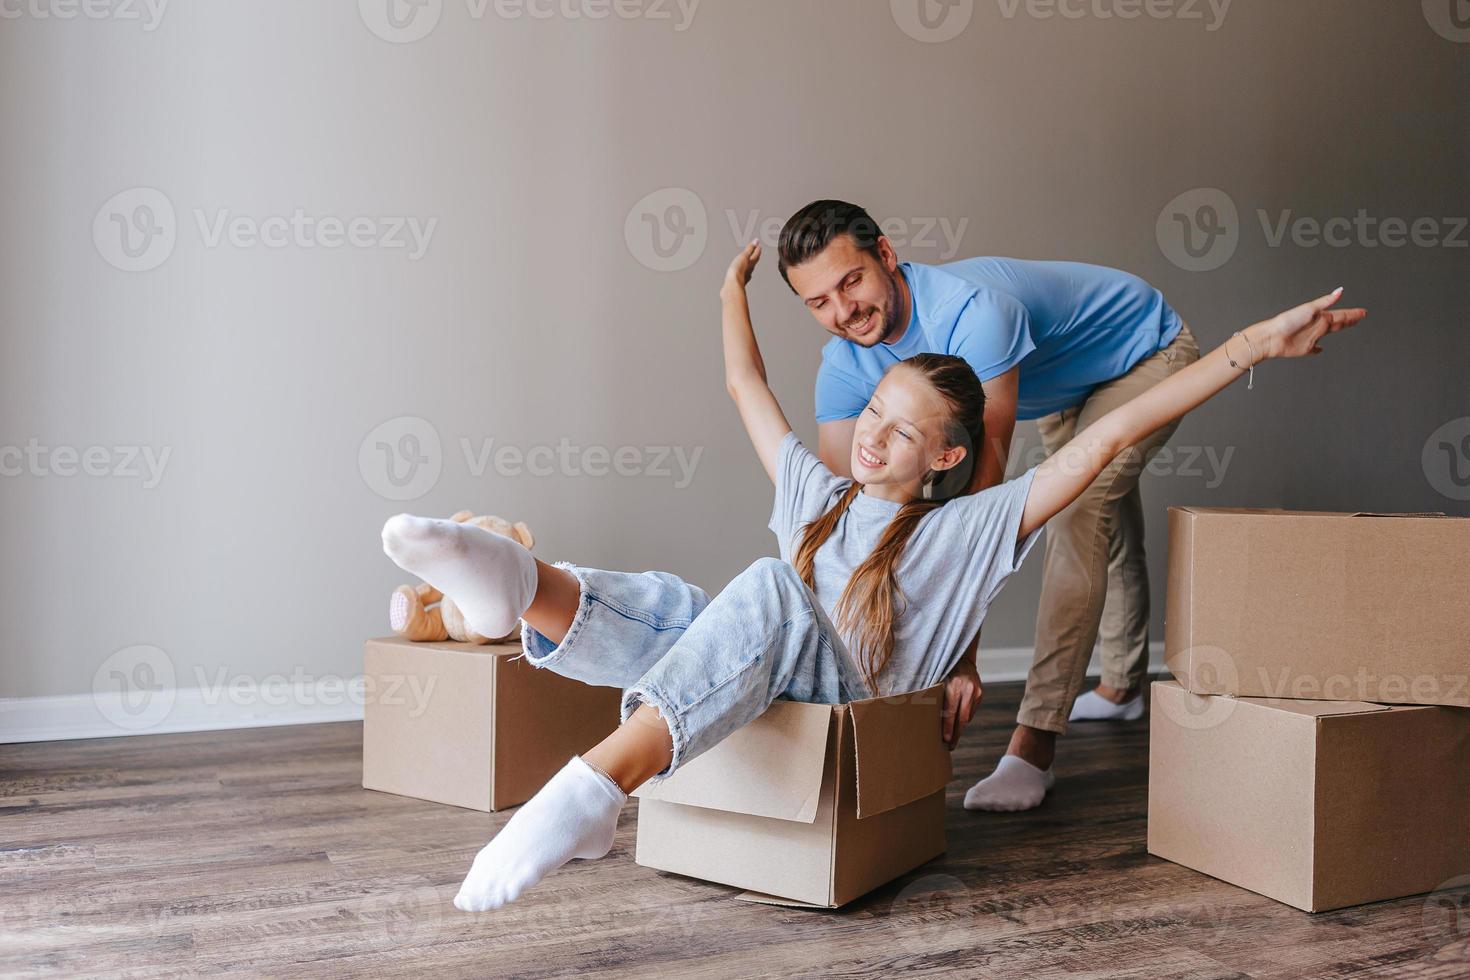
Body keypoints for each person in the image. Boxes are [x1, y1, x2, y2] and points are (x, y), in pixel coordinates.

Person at [380, 240, 1364, 911]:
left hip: (850, 706)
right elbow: (745, 388)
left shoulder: (976, 525)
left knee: (764, 592)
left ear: (944, 456)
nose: (873, 440)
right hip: (760, 678)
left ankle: (594, 787)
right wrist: (731, 293)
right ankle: (514, 583)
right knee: (691, 608)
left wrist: (1247, 347)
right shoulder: (818, 492)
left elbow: (1108, 434)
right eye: (874, 414)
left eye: (903, 431)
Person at [777, 199, 1202, 811]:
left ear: (887, 256)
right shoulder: (845, 362)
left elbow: (982, 500)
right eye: (819, 302)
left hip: (1144, 351)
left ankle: (1034, 746)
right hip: (1061, 384)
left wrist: (961, 659)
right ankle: (1122, 687)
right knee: (1108, 518)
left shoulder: (972, 315)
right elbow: (843, 513)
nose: (844, 311)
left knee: (1080, 513)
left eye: (852, 281)